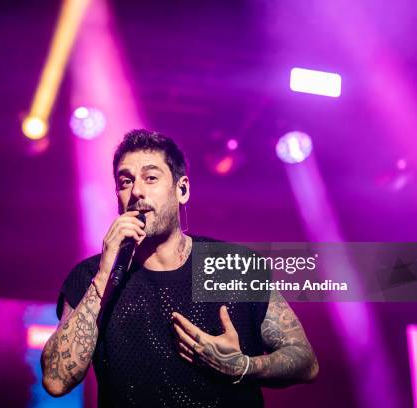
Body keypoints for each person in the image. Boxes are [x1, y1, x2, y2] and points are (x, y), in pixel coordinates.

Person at [41, 129, 318, 407]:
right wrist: (104, 277)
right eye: (125, 182)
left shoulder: (232, 266)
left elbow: (305, 361)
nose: (137, 191)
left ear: (181, 189)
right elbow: (55, 381)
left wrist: (243, 367)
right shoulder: (90, 276)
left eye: (151, 178)